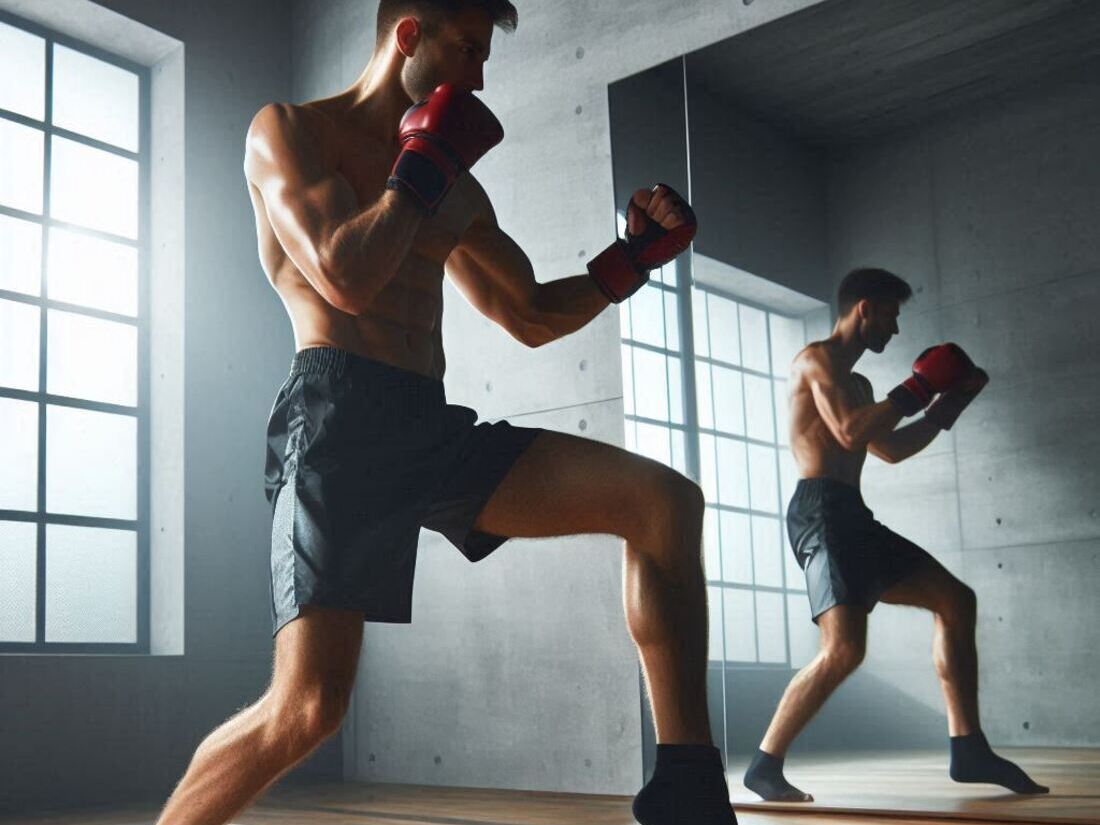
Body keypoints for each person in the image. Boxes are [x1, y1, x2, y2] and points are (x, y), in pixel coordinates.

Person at [155, 2, 735, 824]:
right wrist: (419, 169)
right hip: (335, 420)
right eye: (467, 48)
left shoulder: (451, 180)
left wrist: (630, 260)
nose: (480, 74)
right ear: (407, 36)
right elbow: (342, 275)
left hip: (426, 423)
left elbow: (529, 312)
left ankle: (685, 781)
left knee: (664, 502)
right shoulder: (290, 131)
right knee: (309, 707)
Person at [742, 267, 1048, 802]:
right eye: (892, 314)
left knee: (955, 600)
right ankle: (764, 766)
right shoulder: (814, 360)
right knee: (844, 650)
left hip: (852, 514)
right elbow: (847, 431)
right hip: (819, 513)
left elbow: (890, 449)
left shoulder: (859, 384)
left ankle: (968, 748)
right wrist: (921, 385)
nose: (896, 329)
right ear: (865, 308)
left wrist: (950, 403)